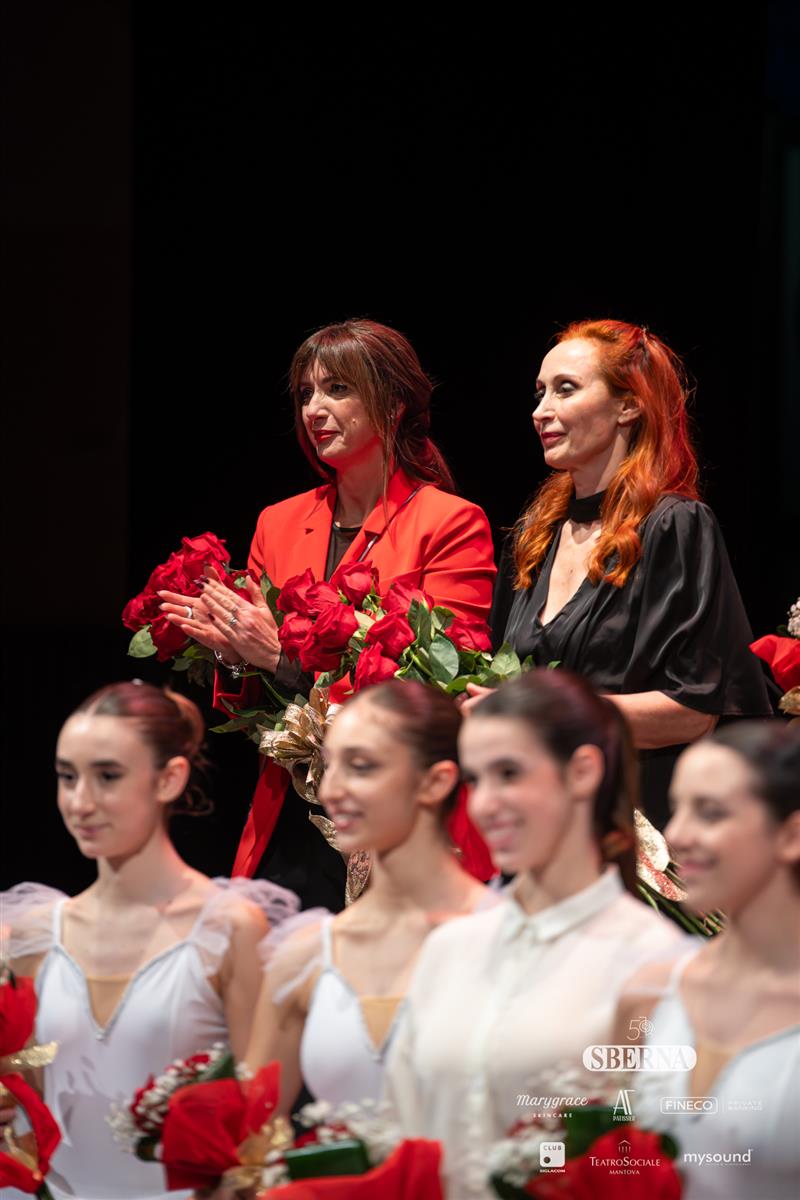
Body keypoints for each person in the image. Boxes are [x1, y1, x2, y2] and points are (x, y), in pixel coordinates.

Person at [157, 319, 496, 907]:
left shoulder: (450, 522)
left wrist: (280, 659)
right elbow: (252, 705)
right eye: (306, 392)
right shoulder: (278, 522)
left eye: (337, 389)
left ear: (393, 404)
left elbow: (439, 693)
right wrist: (230, 654)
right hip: (289, 812)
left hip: (398, 813)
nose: (314, 408)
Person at [385, 669, 685, 1200]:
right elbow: (401, 1137)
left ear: (583, 771)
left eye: (509, 773)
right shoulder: (447, 949)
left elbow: (658, 1158)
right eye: (475, 779)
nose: (484, 803)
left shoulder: (655, 962)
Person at [0, 681, 298, 1200]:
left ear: (169, 779)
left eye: (107, 776)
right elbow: (24, 1111)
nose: (80, 801)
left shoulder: (229, 929)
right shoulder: (33, 937)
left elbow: (259, 1125)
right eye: (68, 777)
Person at [473, 319, 771, 827]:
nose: (541, 411)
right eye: (540, 392)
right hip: (540, 820)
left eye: (566, 389)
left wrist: (542, 713)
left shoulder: (674, 526)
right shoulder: (532, 537)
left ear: (628, 405)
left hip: (638, 825)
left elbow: (693, 712)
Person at [244, 680, 498, 1116]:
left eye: (360, 767)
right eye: (329, 766)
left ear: (435, 781)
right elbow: (253, 1133)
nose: (329, 790)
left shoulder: (513, 938)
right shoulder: (303, 958)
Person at [617, 722, 800, 1200]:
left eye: (710, 813)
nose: (677, 834)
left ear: (791, 834)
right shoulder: (651, 988)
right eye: (676, 809)